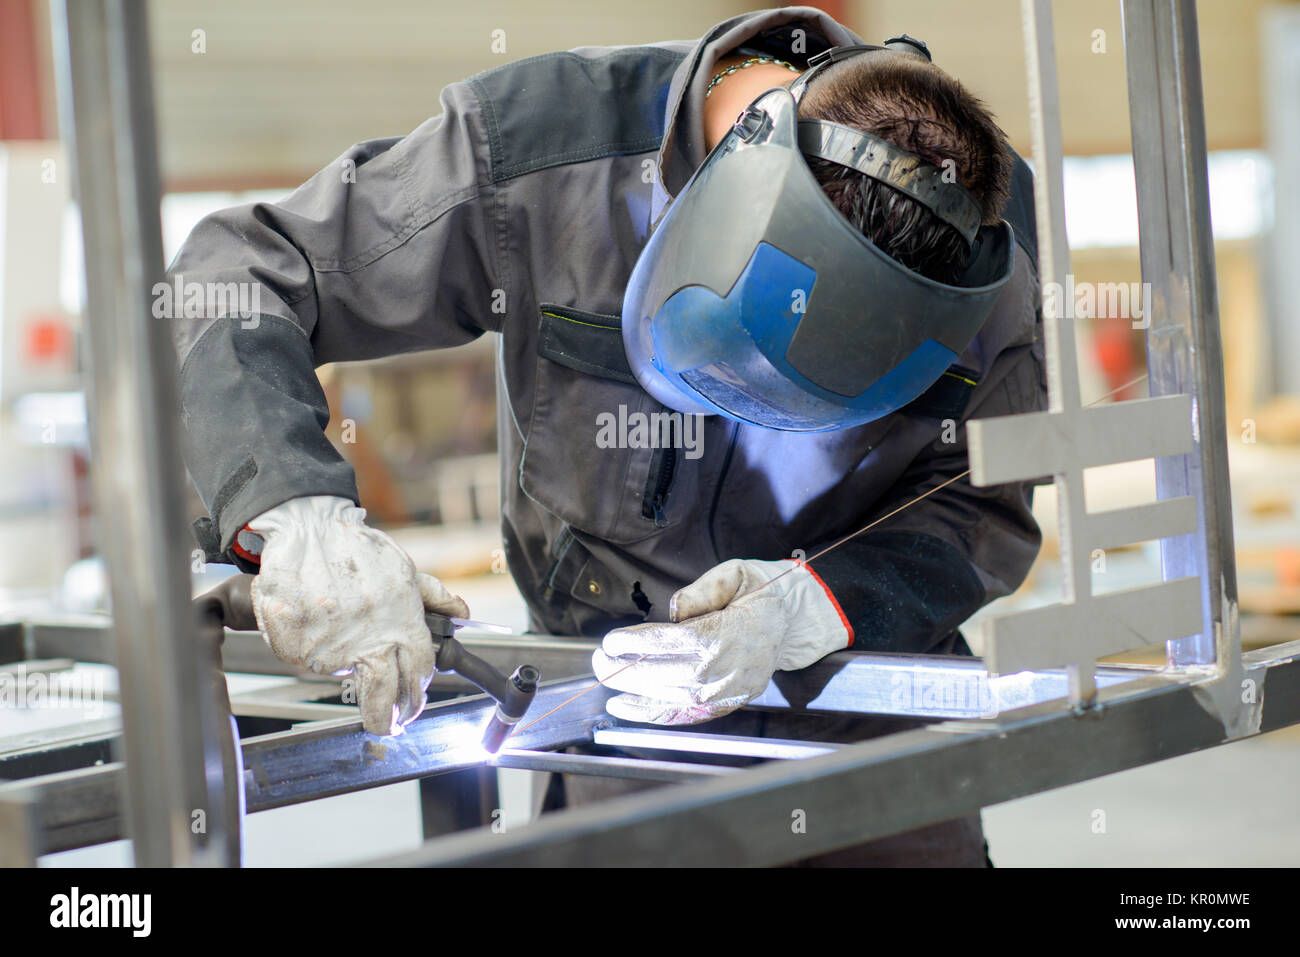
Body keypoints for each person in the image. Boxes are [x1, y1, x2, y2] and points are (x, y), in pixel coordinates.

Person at [170, 6, 1044, 866]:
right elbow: (237, 275)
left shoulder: (985, 241)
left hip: (869, 719)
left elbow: (980, 503)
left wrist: (815, 604)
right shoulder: (540, 154)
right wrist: (299, 512)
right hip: (624, 722)